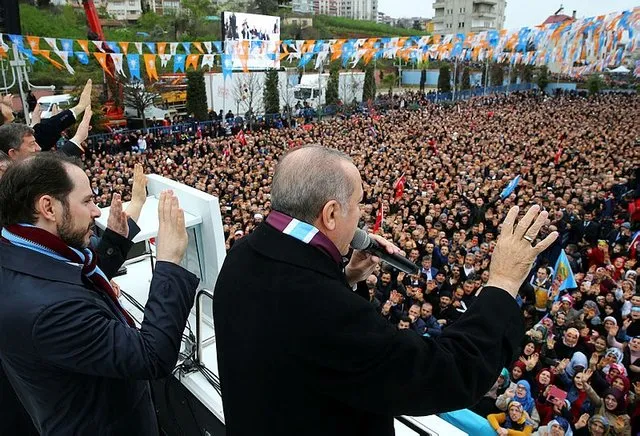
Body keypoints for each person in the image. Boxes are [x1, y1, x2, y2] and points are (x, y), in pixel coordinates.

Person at [213, 145, 558, 436]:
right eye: (359, 203)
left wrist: (346, 277)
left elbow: (288, 322)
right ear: (330, 214)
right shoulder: (326, 309)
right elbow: (443, 373)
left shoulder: (243, 254)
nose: (361, 215)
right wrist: (503, 282)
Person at [0, 152, 199, 435]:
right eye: (86, 201)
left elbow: (66, 275)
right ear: (48, 207)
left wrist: (115, 240)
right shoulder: (49, 310)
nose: (96, 211)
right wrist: (168, 262)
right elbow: (153, 356)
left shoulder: (17, 251)